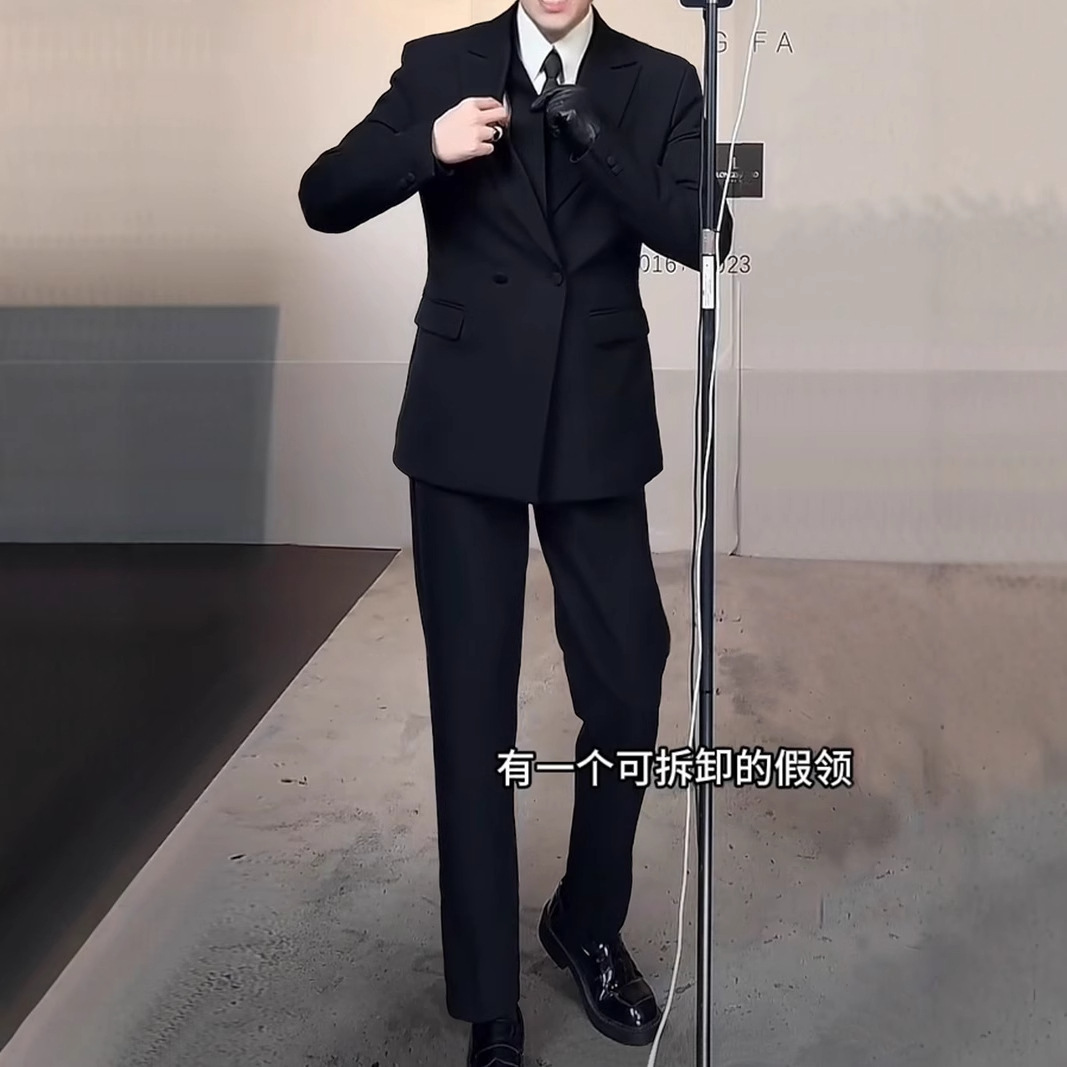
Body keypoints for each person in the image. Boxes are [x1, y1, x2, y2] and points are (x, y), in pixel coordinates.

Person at [298, 1, 732, 1063]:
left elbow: (701, 231)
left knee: (627, 678)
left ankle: (585, 918)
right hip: (463, 419)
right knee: (473, 710)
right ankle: (490, 995)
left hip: (592, 413)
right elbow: (323, 196)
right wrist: (426, 145)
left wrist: (589, 129)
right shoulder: (436, 62)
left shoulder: (661, 80)